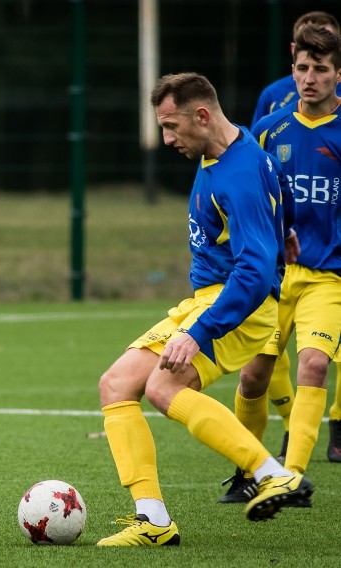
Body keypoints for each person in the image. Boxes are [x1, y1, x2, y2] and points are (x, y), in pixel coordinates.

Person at [96, 72, 313, 548]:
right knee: (116, 386)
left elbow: (254, 273)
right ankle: (153, 521)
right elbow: (280, 192)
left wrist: (199, 331)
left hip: (232, 303)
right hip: (207, 300)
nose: (166, 138)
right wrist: (287, 230)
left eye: (171, 126)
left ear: (202, 115)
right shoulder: (227, 151)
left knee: (162, 387)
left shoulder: (236, 173)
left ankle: (273, 473)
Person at [218, 25, 341, 504]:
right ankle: (248, 471)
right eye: (303, 68)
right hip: (273, 276)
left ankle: (291, 476)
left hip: (327, 278)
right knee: (253, 376)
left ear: (338, 74)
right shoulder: (270, 130)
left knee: (313, 364)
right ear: (293, 70)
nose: (310, 78)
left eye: (321, 69)